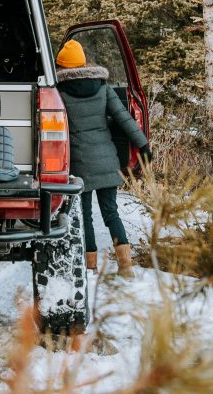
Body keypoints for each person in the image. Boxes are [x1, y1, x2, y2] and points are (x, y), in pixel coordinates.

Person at [55, 39, 152, 277]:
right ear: (83, 62)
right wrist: (143, 145)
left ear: (62, 66)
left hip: (80, 164)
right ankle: (126, 266)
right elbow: (123, 118)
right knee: (111, 212)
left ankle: (90, 266)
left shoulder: (58, 92)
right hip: (107, 160)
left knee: (84, 216)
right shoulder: (102, 87)